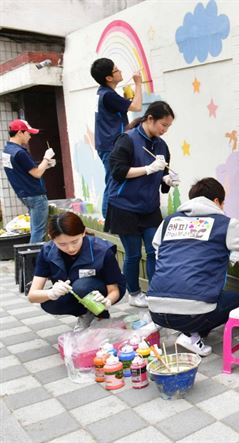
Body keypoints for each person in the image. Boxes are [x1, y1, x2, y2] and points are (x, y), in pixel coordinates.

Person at [147, 177, 239, 356]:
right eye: (223, 203)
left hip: (156, 309)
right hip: (193, 315)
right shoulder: (225, 225)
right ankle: (192, 336)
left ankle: (165, 326)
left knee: (186, 302)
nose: (223, 207)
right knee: (234, 299)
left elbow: (158, 252)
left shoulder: (169, 222)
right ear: (216, 201)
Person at [105, 101, 179, 308]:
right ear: (150, 119)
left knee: (155, 250)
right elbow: (118, 172)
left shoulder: (161, 145)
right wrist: (147, 169)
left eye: (168, 127)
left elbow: (163, 172)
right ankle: (134, 293)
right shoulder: (127, 140)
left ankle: (156, 291)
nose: (164, 130)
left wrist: (167, 181)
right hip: (124, 206)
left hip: (149, 206)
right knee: (133, 254)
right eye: (163, 125)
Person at [27, 212, 125, 331]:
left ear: (83, 232)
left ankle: (101, 316)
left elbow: (114, 290)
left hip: (103, 291)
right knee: (48, 302)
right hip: (73, 292)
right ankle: (85, 314)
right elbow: (32, 296)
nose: (70, 248)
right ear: (51, 238)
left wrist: (107, 301)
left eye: (74, 241)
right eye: (62, 244)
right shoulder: (47, 251)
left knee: (81, 286)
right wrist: (51, 293)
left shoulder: (102, 250)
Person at [90, 57, 143, 217]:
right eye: (116, 69)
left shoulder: (104, 93)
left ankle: (112, 218)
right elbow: (137, 106)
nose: (120, 70)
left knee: (113, 180)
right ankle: (109, 220)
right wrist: (138, 84)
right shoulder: (108, 95)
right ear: (108, 78)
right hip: (110, 146)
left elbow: (113, 118)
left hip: (107, 144)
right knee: (113, 181)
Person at [2, 119, 56, 243]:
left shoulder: (7, 150)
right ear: (20, 133)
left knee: (35, 229)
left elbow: (23, 170)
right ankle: (34, 259)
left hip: (24, 195)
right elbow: (36, 173)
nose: (30, 136)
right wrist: (46, 158)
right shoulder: (20, 152)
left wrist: (46, 164)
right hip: (35, 195)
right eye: (28, 133)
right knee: (39, 232)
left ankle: (32, 258)